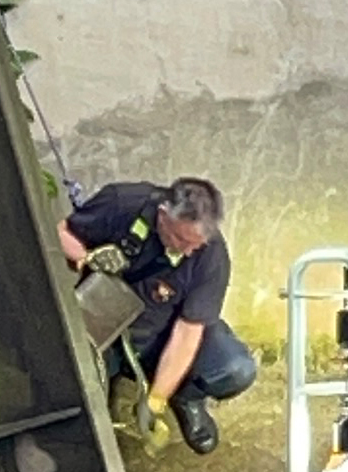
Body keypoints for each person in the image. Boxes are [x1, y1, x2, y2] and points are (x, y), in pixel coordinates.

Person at [57, 177, 257, 455]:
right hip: (105, 330)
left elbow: (188, 332)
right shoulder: (122, 202)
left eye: (195, 245)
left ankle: (186, 397)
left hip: (163, 335)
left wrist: (156, 400)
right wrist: (86, 258)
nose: (187, 251)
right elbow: (62, 233)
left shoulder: (212, 256)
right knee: (81, 416)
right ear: (163, 216)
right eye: (181, 240)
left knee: (236, 368)